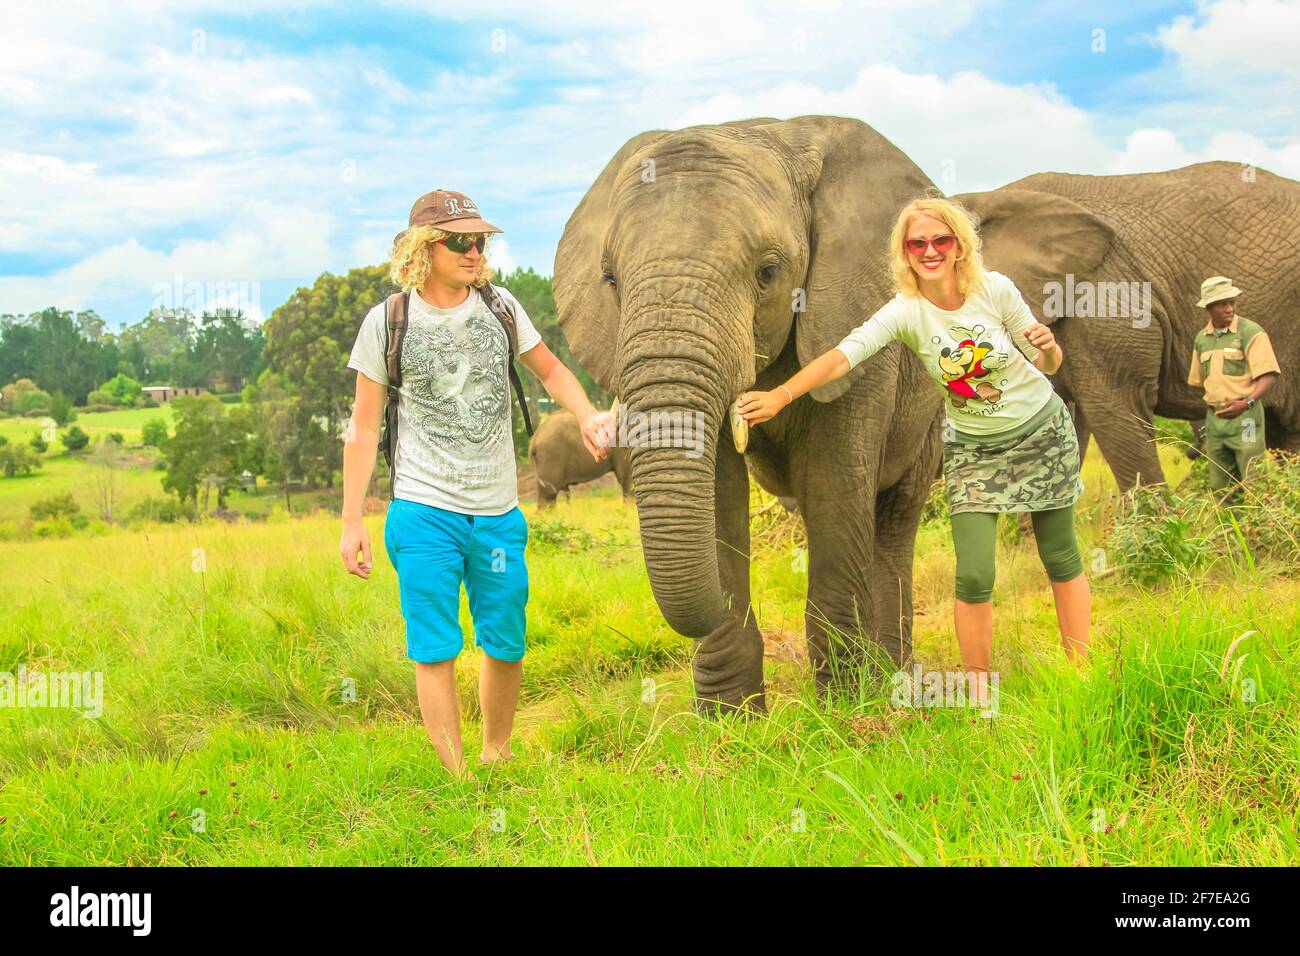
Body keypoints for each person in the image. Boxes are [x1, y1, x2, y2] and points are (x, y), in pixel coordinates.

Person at [737, 196, 1090, 700]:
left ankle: (1082, 676)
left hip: (1040, 431)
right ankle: (980, 694)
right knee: (973, 574)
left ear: (958, 244)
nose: (930, 251)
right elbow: (843, 357)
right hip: (972, 446)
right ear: (904, 251)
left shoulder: (996, 291)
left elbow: (1048, 365)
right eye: (917, 242)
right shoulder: (906, 311)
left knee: (1060, 556)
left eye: (940, 240)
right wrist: (781, 394)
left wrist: (1050, 346)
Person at [340, 189, 610, 774]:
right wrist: (352, 519)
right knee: (434, 647)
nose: (474, 251)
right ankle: (457, 776)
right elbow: (362, 426)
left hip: (496, 513)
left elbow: (552, 368)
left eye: (481, 240)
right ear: (423, 248)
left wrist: (588, 414)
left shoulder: (503, 306)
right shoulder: (388, 321)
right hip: (422, 512)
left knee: (506, 639)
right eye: (460, 241)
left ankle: (497, 753)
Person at [1187, 276, 1281, 502]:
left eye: (1232, 302)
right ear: (1209, 308)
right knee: (1221, 488)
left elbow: (1268, 376)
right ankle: (1229, 534)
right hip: (1216, 420)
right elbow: (1198, 382)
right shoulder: (1202, 339)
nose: (1229, 308)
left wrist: (1246, 402)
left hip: (1246, 417)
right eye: (1222, 304)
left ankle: (1259, 533)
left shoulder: (1251, 332)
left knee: (1253, 478)